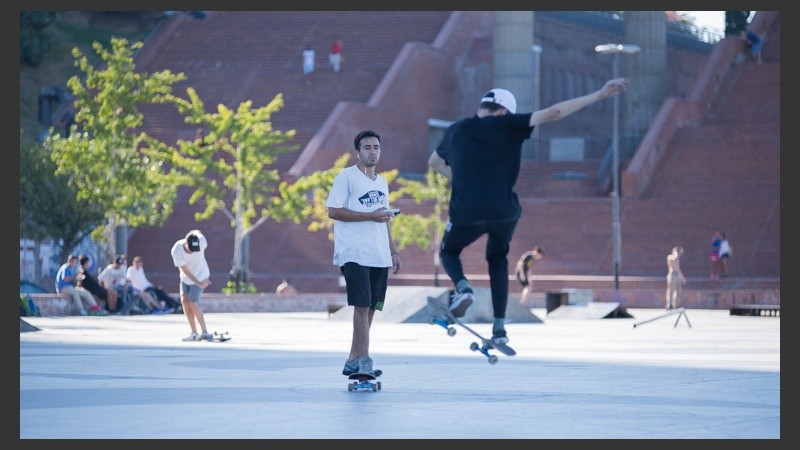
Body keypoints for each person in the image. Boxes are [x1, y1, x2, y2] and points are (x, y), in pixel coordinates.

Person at [428, 78, 629, 345]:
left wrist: (463, 177)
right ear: (503, 111)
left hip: (467, 211)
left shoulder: (455, 130)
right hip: (505, 211)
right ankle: (499, 328)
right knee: (497, 259)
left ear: (484, 105)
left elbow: (433, 162)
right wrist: (599, 95)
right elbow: (554, 112)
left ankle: (463, 288)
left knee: (449, 251)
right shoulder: (508, 123)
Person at [326, 130, 402, 377]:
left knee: (370, 308)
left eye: (376, 147)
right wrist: (369, 216)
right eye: (367, 147)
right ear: (357, 152)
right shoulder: (345, 177)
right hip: (354, 252)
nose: (372, 151)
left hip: (378, 253)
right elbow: (333, 211)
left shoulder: (381, 182)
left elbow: (384, 217)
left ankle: (352, 359)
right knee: (361, 304)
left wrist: (393, 251)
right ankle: (365, 361)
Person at [171, 229, 214, 341]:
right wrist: (198, 283)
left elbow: (198, 232)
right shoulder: (177, 250)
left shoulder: (201, 241)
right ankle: (194, 332)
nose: (193, 252)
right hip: (187, 277)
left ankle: (205, 332)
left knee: (192, 302)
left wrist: (200, 282)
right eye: (191, 249)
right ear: (186, 243)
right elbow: (185, 271)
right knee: (184, 301)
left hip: (201, 276)